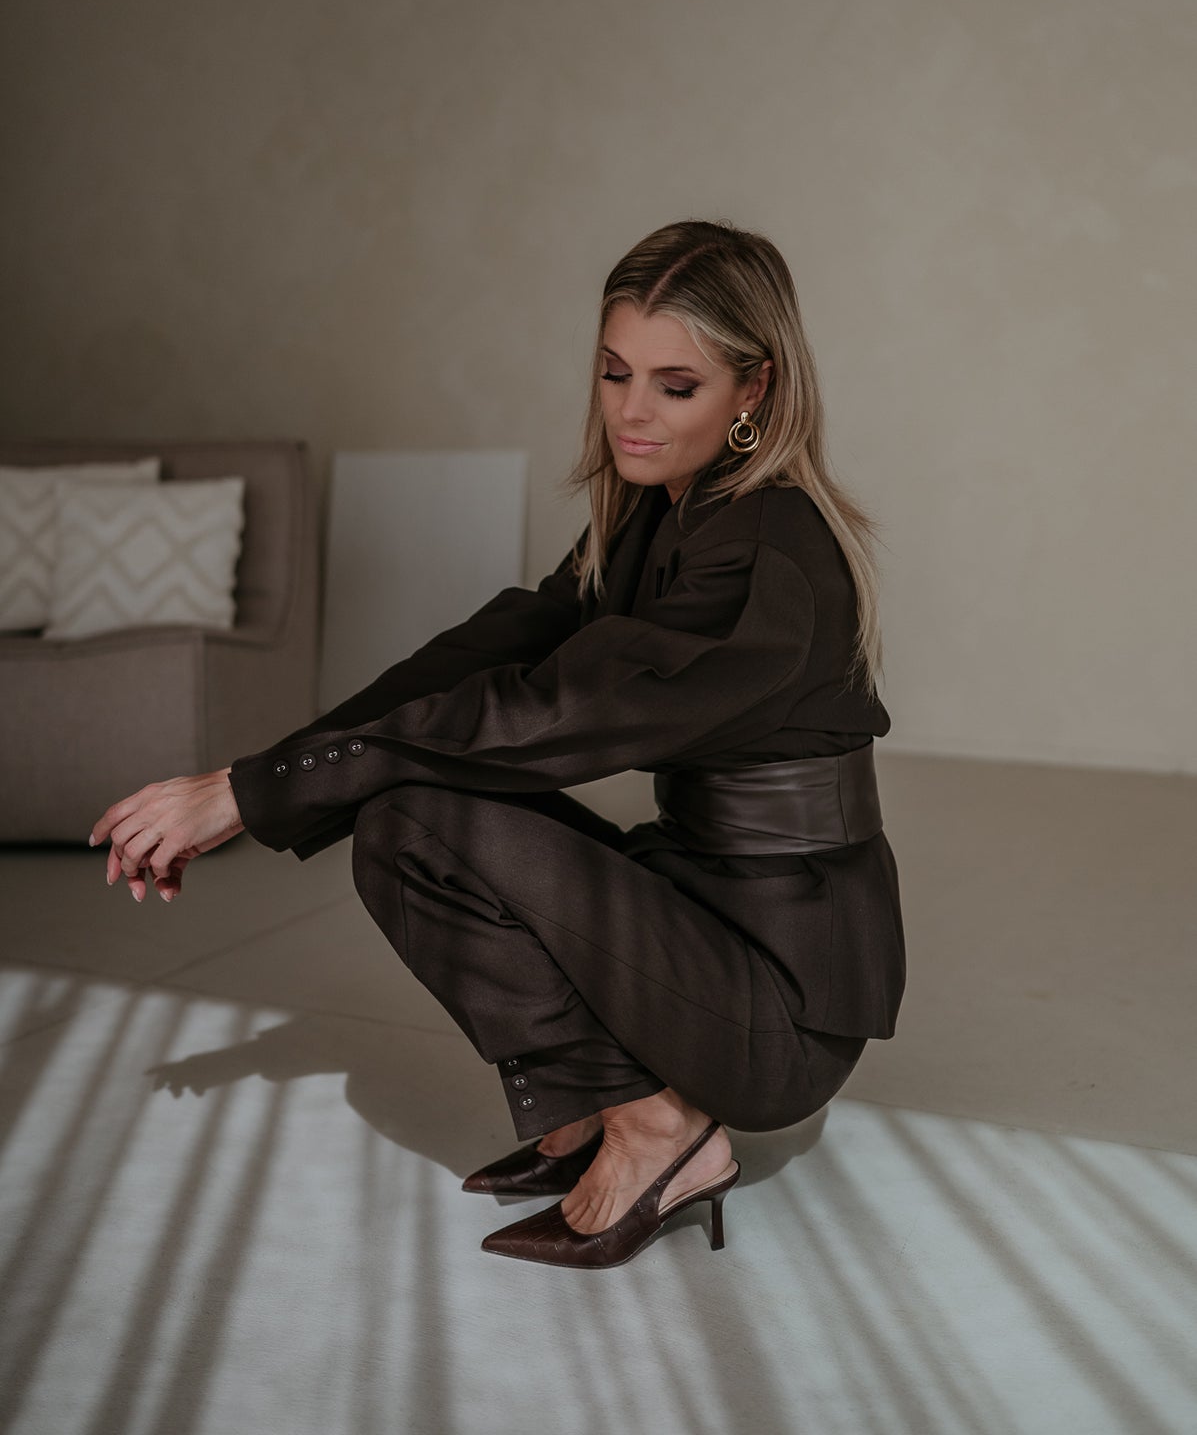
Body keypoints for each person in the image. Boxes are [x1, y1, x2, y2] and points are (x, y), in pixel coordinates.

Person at [90, 219, 905, 1271]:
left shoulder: (761, 550)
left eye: (675, 386)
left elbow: (544, 711)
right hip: (700, 917)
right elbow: (492, 652)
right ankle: (602, 1099)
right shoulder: (657, 514)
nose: (632, 412)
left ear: (755, 388)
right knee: (402, 816)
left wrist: (252, 794)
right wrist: (252, 782)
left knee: (423, 816)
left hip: (778, 1001)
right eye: (614, 373)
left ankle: (661, 1128)